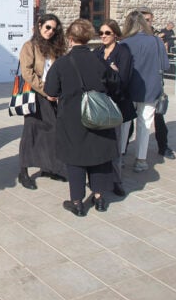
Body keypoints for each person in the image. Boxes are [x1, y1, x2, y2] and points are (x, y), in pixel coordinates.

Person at [44, 19, 120, 216]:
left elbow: (50, 91)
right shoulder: (100, 61)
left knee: (76, 160)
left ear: (70, 39)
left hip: (72, 119)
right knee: (99, 158)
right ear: (89, 38)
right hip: (98, 115)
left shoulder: (61, 63)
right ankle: (99, 198)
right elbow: (114, 85)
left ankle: (77, 203)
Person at [16, 13, 68, 190]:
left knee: (52, 131)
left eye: (54, 29)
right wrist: (46, 91)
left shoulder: (55, 47)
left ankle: (49, 167)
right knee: (31, 131)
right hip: (35, 94)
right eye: (47, 27)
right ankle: (23, 172)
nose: (50, 31)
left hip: (52, 94)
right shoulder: (29, 46)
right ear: (40, 26)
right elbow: (27, 73)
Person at [120, 10, 171, 172]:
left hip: (128, 89)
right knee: (145, 123)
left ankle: (120, 156)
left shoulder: (123, 43)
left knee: (124, 124)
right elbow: (165, 66)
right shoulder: (156, 41)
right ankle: (141, 159)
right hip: (150, 88)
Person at [94, 19, 135, 196]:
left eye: (107, 33)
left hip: (116, 105)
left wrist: (113, 73)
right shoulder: (97, 52)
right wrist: (112, 71)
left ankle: (116, 181)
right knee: (100, 144)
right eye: (101, 33)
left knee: (116, 146)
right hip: (100, 104)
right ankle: (99, 178)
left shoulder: (123, 52)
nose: (103, 36)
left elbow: (123, 80)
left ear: (115, 34)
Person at [139, 8, 174, 160]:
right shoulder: (132, 37)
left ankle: (163, 146)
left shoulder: (156, 38)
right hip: (136, 84)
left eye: (149, 19)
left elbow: (164, 63)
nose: (148, 22)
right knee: (131, 121)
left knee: (158, 117)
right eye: (145, 20)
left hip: (153, 83)